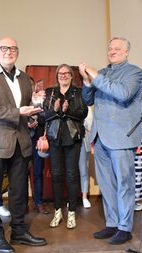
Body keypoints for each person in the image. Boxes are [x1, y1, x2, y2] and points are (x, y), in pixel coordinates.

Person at [0, 36, 47, 253]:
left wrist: (34, 106)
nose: (9, 51)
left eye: (13, 48)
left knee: (18, 193)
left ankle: (18, 231)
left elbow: (25, 108)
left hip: (20, 142)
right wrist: (19, 112)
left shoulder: (25, 78)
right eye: (4, 48)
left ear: (17, 52)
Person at [79, 36, 142, 245]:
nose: (112, 51)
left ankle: (125, 228)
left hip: (121, 138)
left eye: (117, 49)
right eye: (110, 48)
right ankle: (113, 223)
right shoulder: (103, 73)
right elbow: (88, 100)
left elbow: (122, 94)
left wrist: (95, 75)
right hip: (100, 137)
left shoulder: (134, 72)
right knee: (107, 184)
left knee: (124, 183)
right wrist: (87, 82)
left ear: (126, 53)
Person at [42, 64, 88, 229]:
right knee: (56, 176)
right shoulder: (50, 92)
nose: (63, 75)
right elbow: (44, 115)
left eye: (66, 73)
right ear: (57, 76)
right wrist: (55, 110)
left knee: (71, 176)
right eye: (60, 73)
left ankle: (71, 213)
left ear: (71, 75)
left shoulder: (78, 92)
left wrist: (67, 111)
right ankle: (57, 212)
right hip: (55, 138)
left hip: (73, 138)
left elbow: (83, 113)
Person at [28, 78, 49, 214]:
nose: (30, 87)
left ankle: (38, 203)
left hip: (38, 141)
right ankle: (22, 203)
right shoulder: (20, 101)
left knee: (38, 173)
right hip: (23, 141)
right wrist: (27, 123)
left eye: (31, 85)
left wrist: (37, 119)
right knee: (20, 174)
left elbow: (46, 116)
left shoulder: (42, 99)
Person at [78, 105, 94, 209]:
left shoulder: (86, 106)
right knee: (71, 171)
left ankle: (84, 197)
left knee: (84, 169)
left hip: (83, 139)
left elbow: (90, 124)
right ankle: (72, 197)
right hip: (69, 140)